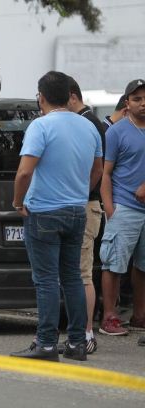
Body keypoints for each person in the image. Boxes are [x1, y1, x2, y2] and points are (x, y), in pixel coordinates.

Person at [11, 71, 102, 362]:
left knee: (47, 280)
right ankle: (77, 343)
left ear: (41, 96)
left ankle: (47, 343)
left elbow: (25, 171)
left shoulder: (41, 126)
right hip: (77, 211)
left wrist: (17, 201)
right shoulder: (89, 126)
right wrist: (77, 192)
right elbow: (98, 169)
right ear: (70, 95)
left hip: (44, 211)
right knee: (73, 277)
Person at [99, 79, 145, 340]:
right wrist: (110, 208)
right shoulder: (116, 132)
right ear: (126, 103)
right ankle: (109, 316)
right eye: (137, 99)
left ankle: (139, 315)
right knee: (114, 264)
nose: (143, 103)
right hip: (124, 207)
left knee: (143, 266)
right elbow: (105, 173)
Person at [65, 76, 105, 354]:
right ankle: (77, 330)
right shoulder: (84, 121)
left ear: (71, 97)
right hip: (80, 203)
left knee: (82, 273)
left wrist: (80, 194)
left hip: (86, 204)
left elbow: (98, 169)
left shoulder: (89, 122)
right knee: (74, 272)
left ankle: (87, 331)